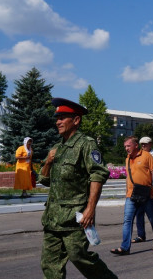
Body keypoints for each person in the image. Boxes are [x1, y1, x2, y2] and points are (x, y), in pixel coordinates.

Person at [39, 97, 117, 279]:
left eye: (63, 117)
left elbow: (97, 175)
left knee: (79, 256)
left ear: (76, 120)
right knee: (49, 264)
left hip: (75, 217)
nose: (58, 122)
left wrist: (90, 209)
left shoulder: (86, 144)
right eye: (57, 118)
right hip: (53, 218)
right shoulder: (57, 147)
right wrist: (49, 162)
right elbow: (44, 179)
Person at [110, 136, 153, 255]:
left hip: (147, 194)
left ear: (136, 145)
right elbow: (129, 177)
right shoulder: (128, 159)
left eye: (128, 146)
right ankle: (125, 247)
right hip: (131, 195)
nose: (126, 148)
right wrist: (126, 193)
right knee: (127, 220)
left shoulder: (147, 156)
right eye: (125, 146)